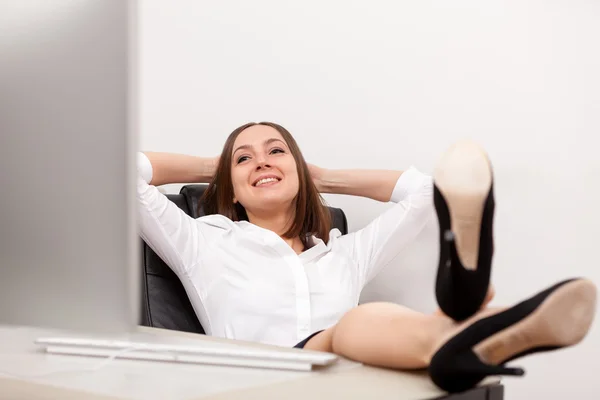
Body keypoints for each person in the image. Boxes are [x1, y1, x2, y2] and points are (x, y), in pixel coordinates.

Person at [137, 121, 596, 393]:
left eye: (277, 152)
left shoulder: (341, 251)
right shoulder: (202, 241)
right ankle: (464, 317)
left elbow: (424, 192)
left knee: (376, 328)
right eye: (245, 159)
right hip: (266, 385)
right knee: (355, 326)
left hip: (356, 382)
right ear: (230, 189)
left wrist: (324, 177)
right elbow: (121, 170)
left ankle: (468, 329)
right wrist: (215, 166)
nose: (262, 162)